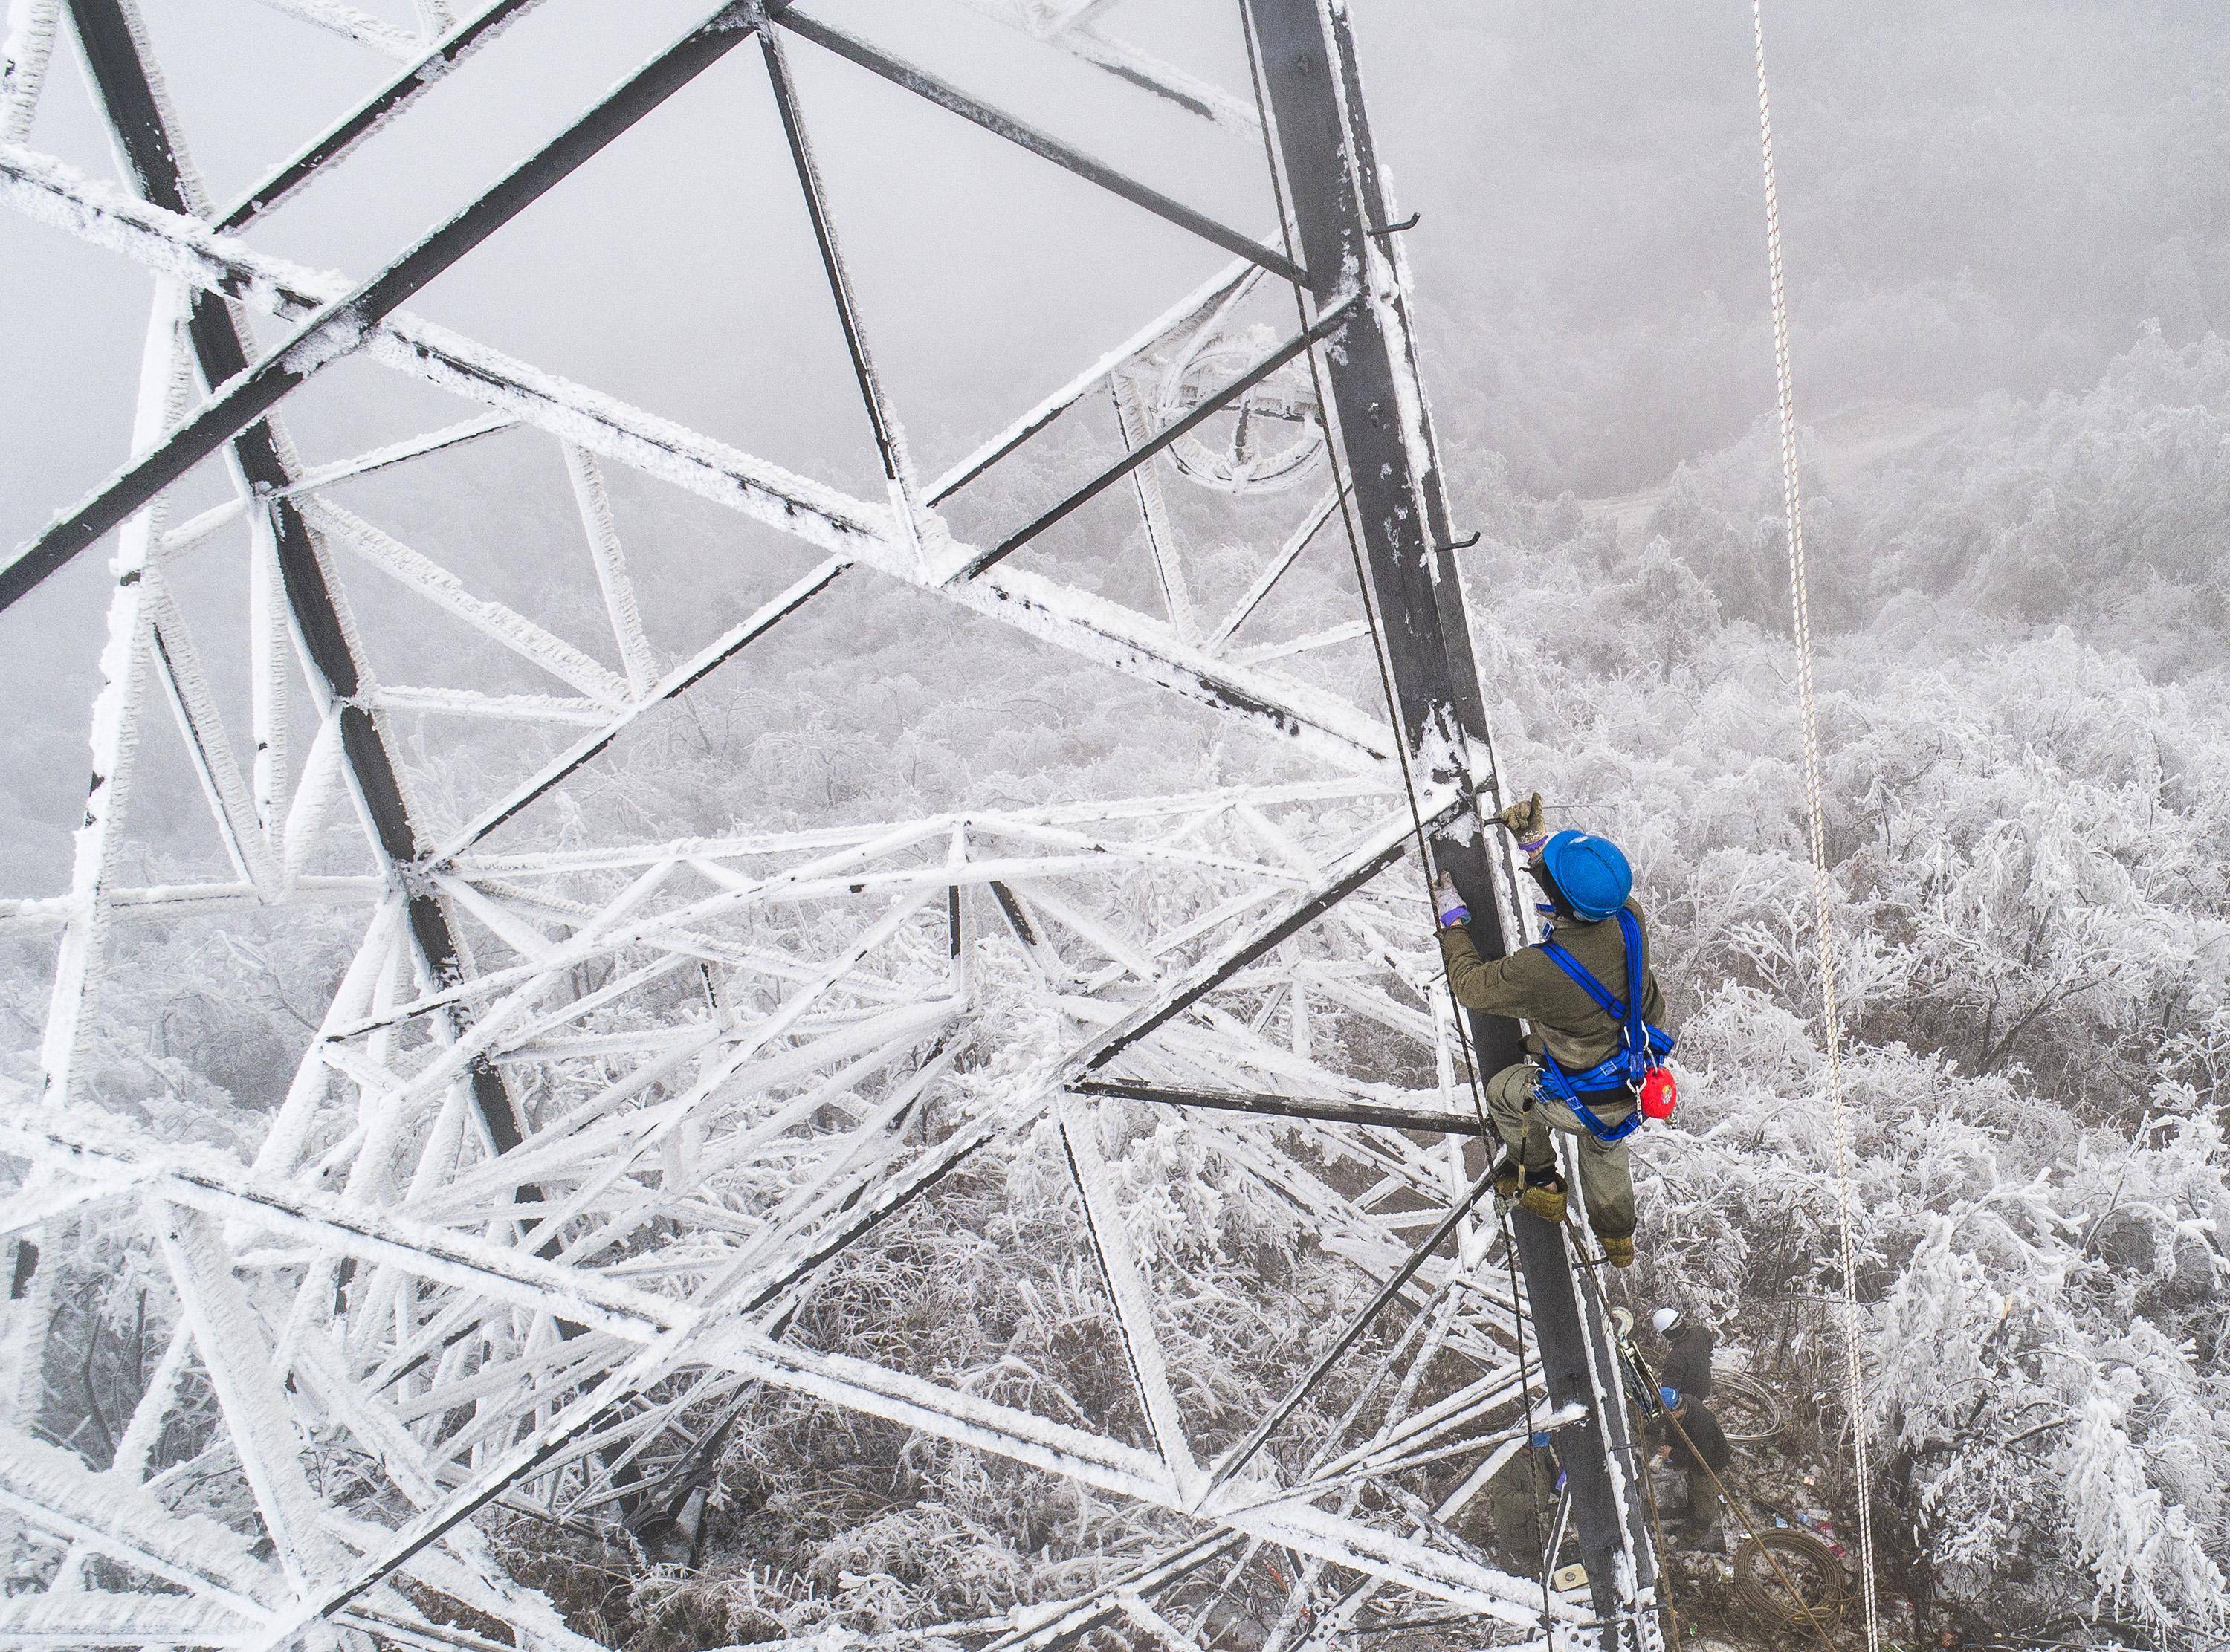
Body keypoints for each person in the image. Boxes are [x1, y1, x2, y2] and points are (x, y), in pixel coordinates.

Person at [1429, 793, 1675, 1267]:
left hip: (1591, 1093)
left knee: (1506, 1092)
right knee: (1606, 1142)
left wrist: (1454, 925)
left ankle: (1538, 1179)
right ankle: (1617, 1238)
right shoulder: (1629, 917)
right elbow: (1583, 901)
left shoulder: (1541, 971)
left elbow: (1471, 987)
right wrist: (1536, 848)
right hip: (1635, 1072)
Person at [1654, 1387, 1732, 1549]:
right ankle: (1692, 1510)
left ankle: (1702, 1524)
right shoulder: (1685, 1400)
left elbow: (1700, 1458)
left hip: (1711, 1463)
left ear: (1675, 1411)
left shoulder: (1700, 1426)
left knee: (1705, 1493)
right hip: (1698, 1457)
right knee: (1692, 1484)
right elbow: (1673, 1428)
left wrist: (1673, 1453)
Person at [1486, 1431, 1559, 1576]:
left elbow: (1546, 1470)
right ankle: (1517, 1581)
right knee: (1516, 1552)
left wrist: (1557, 1485)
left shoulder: (1537, 1449)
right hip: (1513, 1519)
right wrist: (1537, 1500)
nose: (1536, 1451)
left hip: (1531, 1514)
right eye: (1533, 1448)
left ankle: (1539, 1575)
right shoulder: (1507, 1462)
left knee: (1537, 1544)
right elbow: (1502, 1494)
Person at [1653, 1306, 1716, 1402]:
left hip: (1689, 1400)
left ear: (1667, 1334)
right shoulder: (1700, 1331)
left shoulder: (1674, 1358)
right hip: (1705, 1385)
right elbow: (1709, 1347)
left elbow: (1669, 1392)